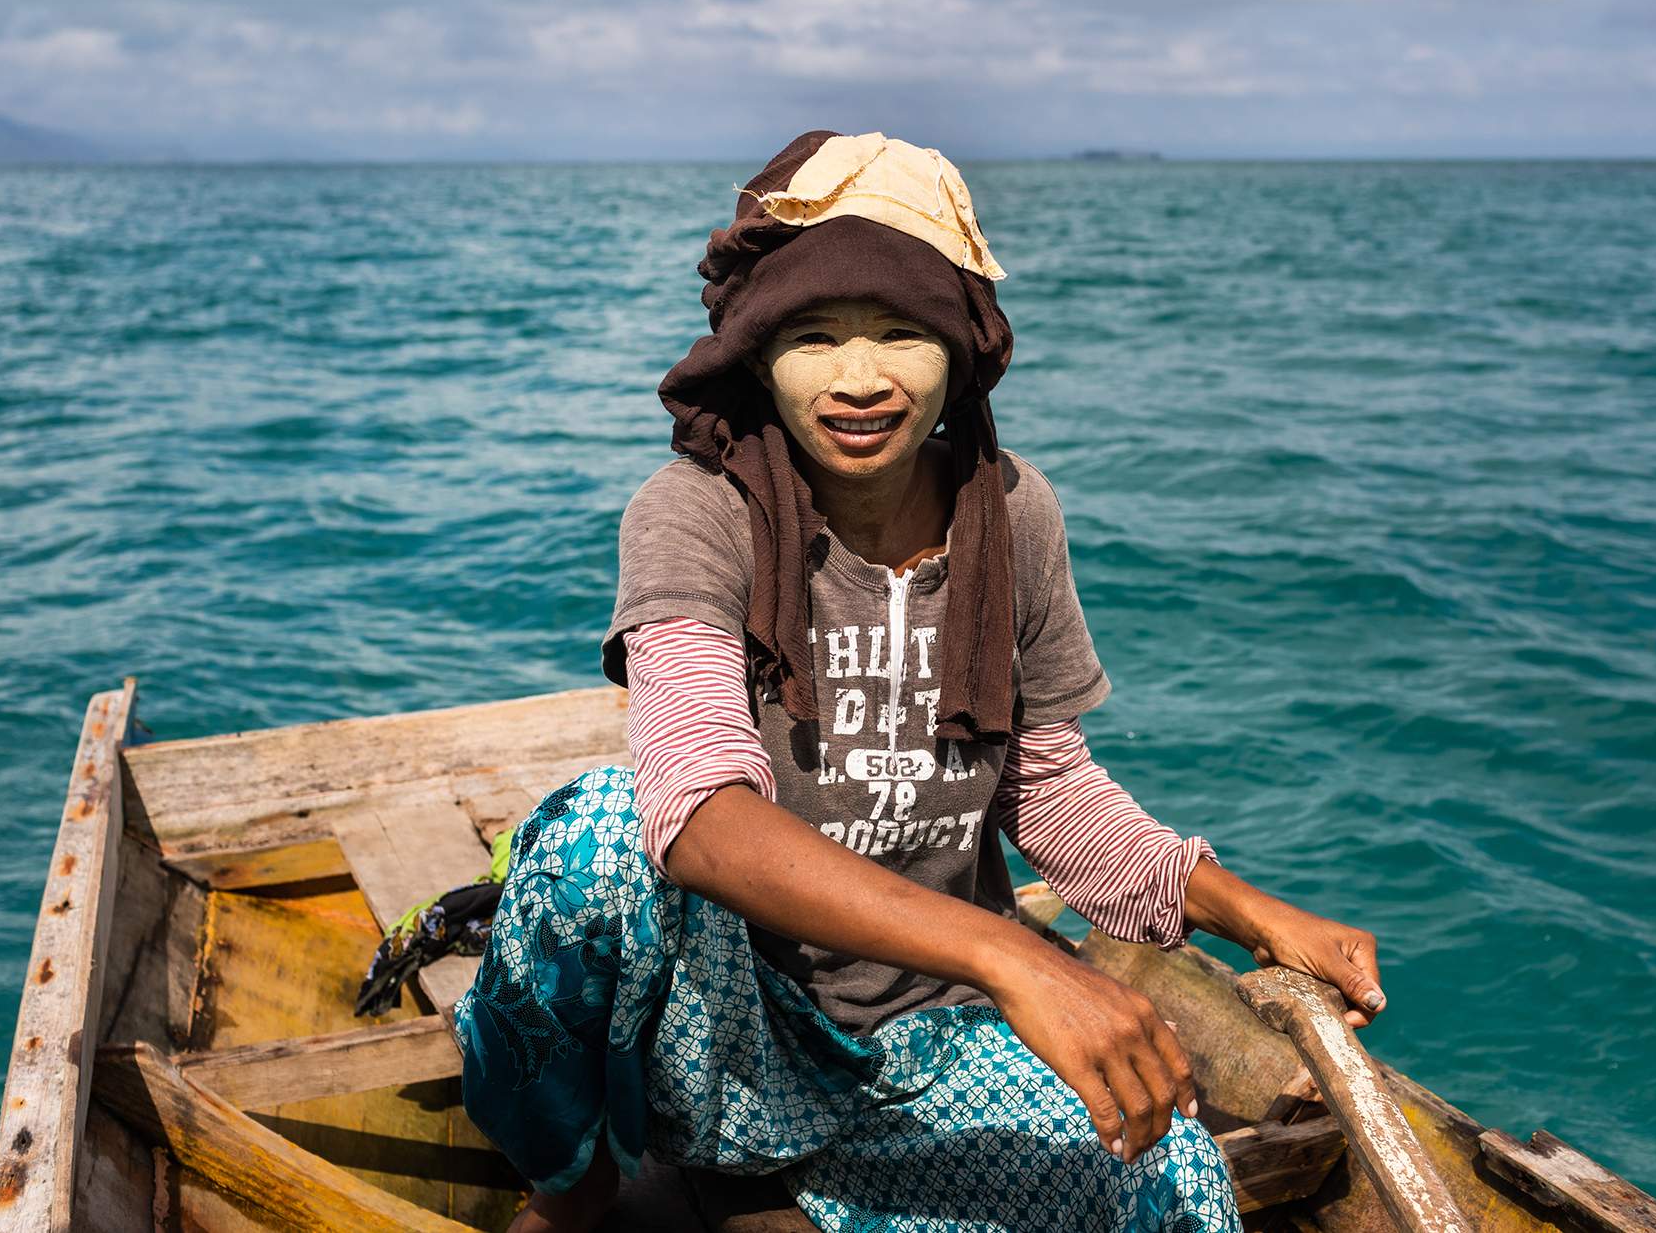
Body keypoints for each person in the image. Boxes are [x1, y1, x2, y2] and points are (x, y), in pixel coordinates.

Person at [454, 131, 1386, 1233]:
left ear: (960, 349)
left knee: (1171, 1180)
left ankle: (828, 1182)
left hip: (927, 1035)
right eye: (811, 337)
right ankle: (573, 1195)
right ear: (757, 355)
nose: (858, 379)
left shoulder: (1012, 513)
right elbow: (695, 813)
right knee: (594, 837)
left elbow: (1046, 791)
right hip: (728, 1031)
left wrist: (1240, 909)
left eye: (901, 331)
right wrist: (1011, 955)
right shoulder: (700, 510)